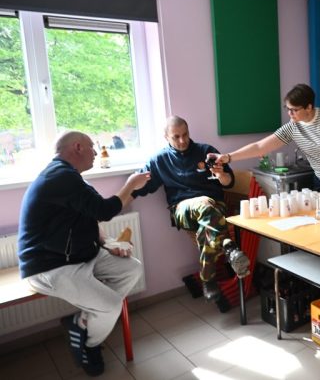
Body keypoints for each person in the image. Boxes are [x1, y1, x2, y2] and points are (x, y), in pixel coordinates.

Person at [18, 131, 150, 376]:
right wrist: (131, 184)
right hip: (50, 266)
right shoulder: (59, 177)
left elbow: (89, 217)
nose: (96, 152)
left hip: (80, 256)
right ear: (77, 147)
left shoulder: (72, 178)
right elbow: (104, 210)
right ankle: (90, 344)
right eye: (92, 146)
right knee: (111, 305)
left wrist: (107, 242)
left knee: (132, 268)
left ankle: (82, 321)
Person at [131, 116, 250, 311]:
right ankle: (228, 246)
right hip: (182, 210)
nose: (182, 140)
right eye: (176, 137)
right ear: (166, 137)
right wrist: (123, 194)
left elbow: (229, 182)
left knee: (208, 216)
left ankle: (208, 277)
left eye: (185, 134)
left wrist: (221, 174)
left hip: (215, 208)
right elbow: (140, 186)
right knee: (204, 205)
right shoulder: (159, 160)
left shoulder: (205, 151)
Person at [211, 83, 320, 214]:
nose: (290, 114)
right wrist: (228, 157)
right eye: (288, 109)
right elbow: (260, 146)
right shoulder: (292, 127)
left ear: (309, 107)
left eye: (294, 110)